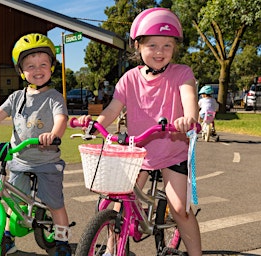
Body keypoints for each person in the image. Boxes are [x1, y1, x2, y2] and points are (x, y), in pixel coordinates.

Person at [75, 8, 202, 256]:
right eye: (152, 44)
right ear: (138, 45)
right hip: (136, 153)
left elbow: (189, 97)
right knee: (115, 202)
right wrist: (95, 123)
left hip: (172, 151)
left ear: (175, 47)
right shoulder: (129, 79)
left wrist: (189, 119)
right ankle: (112, 250)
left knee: (179, 209)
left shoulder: (182, 73)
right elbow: (113, 108)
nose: (160, 51)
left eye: (167, 45)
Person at [0, 33, 72, 255]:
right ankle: (8, 238)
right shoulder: (16, 98)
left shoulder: (54, 97)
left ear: (52, 67)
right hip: (19, 159)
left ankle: (61, 241)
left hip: (46, 162)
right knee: (13, 202)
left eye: (43, 64)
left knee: (55, 204)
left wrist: (53, 134)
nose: (37, 69)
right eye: (30, 66)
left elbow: (61, 119)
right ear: (21, 71)